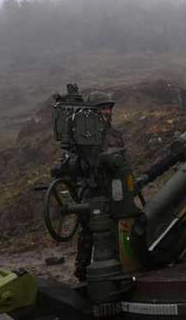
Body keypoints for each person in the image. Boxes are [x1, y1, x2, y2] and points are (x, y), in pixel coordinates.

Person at [73, 91, 124, 281]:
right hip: (91, 192)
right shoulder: (83, 138)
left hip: (114, 190)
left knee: (116, 232)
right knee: (88, 234)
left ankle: (116, 270)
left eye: (108, 108)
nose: (107, 112)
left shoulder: (115, 135)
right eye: (102, 108)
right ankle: (82, 274)